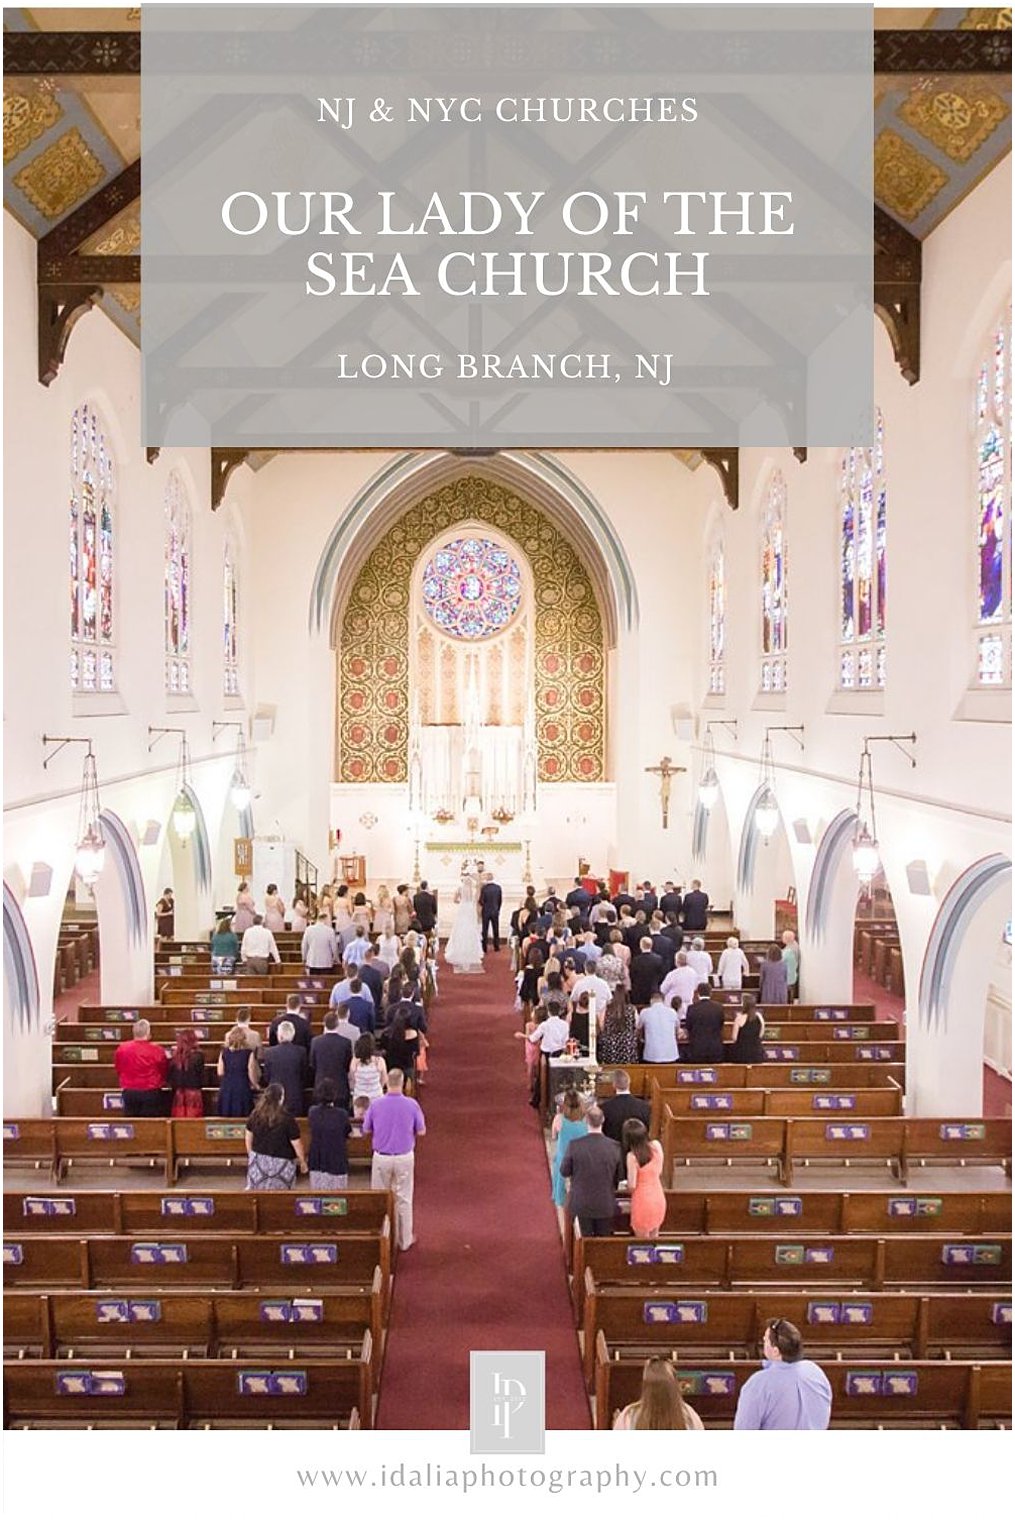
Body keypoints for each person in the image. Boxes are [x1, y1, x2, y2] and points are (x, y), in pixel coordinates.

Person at [362, 1068, 426, 1250]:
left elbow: (366, 1130)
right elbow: (421, 1131)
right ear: (403, 1082)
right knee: (404, 1198)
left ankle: (381, 1240)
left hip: (382, 1157)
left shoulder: (376, 1105)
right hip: (404, 1156)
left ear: (387, 1083)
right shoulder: (411, 1105)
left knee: (380, 1198)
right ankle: (404, 1240)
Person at [733, 1319, 832, 1430]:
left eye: (766, 1340)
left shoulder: (758, 1384)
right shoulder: (816, 1371)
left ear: (776, 1351)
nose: (763, 1340)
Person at [559, 1105, 623, 1237]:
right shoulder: (615, 1147)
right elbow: (618, 1177)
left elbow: (564, 1171)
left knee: (583, 1243)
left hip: (581, 1203)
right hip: (604, 1203)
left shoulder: (575, 1145)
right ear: (603, 1120)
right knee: (601, 1245)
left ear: (586, 1121)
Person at [244, 1083, 308, 1191]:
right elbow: (296, 1143)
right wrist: (302, 1162)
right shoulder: (287, 1118)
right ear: (281, 1098)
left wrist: (251, 1155)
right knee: (281, 1196)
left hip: (259, 1162)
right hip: (282, 1164)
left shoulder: (255, 1114)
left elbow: (248, 1136)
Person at [613, 1358, 704, 1431]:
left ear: (645, 1388)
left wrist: (617, 1423)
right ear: (674, 1386)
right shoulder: (688, 1414)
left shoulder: (629, 1415)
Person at [550, 1088, 588, 1227]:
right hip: (581, 1160)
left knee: (561, 1196)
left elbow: (553, 1137)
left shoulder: (559, 1119)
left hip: (564, 1159)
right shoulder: (585, 1120)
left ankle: (564, 1224)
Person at [114, 1020, 169, 1116]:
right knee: (149, 1125)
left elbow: (119, 1068)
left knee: (133, 1124)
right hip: (151, 1091)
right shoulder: (157, 1050)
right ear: (148, 1033)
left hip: (129, 1090)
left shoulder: (122, 1048)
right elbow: (164, 1069)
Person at [623, 1118, 666, 1237]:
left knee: (642, 1244)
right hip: (658, 1196)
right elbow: (660, 1171)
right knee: (654, 1238)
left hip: (642, 1201)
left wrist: (625, 1186)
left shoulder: (632, 1156)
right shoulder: (657, 1146)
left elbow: (632, 1186)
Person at [307, 1078, 353, 1190]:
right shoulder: (342, 1114)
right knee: (337, 1200)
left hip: (317, 1160)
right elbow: (347, 1132)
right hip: (336, 1160)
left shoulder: (312, 1112)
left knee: (318, 1195)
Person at [259, 1020, 308, 1116]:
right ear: (292, 1035)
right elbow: (304, 1075)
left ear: (279, 1035)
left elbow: (267, 1076)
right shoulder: (301, 1052)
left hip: (274, 1097)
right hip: (295, 1095)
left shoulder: (269, 1052)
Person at [309, 1009, 354, 1105]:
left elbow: (313, 1064)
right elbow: (347, 1065)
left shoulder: (316, 1042)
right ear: (337, 1024)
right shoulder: (345, 1043)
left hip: (321, 1085)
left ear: (324, 1024)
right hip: (340, 1086)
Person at [446, 863, 484, 973]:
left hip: (462, 908)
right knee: (470, 928)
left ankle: (458, 950)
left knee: (460, 928)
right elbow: (475, 898)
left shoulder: (459, 888)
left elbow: (455, 900)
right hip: (470, 909)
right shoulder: (472, 890)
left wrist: (460, 902)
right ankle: (471, 951)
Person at [217, 1024, 260, 1116]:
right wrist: (256, 1085)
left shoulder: (224, 1052)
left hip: (227, 1087)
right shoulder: (248, 1053)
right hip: (242, 1087)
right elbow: (251, 1072)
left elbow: (220, 1072)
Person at [600, 1070, 650, 1147]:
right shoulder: (644, 1107)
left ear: (614, 1085)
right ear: (629, 1083)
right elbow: (646, 1129)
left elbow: (603, 1132)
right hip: (636, 1148)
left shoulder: (605, 1108)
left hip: (613, 1149)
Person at [168, 1028, 205, 1118]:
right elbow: (202, 1078)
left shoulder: (175, 1057)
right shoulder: (199, 1056)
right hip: (194, 1095)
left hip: (179, 1095)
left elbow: (171, 1079)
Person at [684, 984, 726, 1064]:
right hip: (715, 1049)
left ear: (698, 993)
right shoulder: (718, 1007)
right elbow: (721, 1025)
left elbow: (688, 1027)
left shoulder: (692, 1008)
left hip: (697, 1048)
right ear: (710, 993)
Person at [637, 993, 681, 1063]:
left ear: (651, 1001)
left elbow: (638, 1030)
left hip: (651, 1055)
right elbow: (677, 1031)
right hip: (671, 1054)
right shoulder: (672, 1012)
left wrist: (642, 1039)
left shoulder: (644, 1012)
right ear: (663, 1001)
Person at [350, 1032, 388, 1107]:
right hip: (376, 1096)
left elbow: (353, 1080)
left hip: (359, 1096)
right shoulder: (379, 1061)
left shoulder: (354, 1061)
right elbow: (384, 1079)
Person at [729, 993, 766, 1064]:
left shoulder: (739, 1018)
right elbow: (761, 1034)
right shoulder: (760, 1017)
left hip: (741, 1054)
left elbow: (734, 1038)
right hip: (756, 1054)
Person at [629, 936, 664, 1007]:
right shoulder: (658, 959)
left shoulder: (636, 960)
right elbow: (661, 975)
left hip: (639, 991)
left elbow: (632, 975)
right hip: (653, 989)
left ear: (641, 946)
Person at [302, 910, 339, 975]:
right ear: (326, 919)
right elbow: (334, 948)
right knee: (326, 983)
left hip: (312, 961)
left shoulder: (309, 929)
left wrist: (304, 958)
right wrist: (336, 959)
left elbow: (304, 946)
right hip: (326, 962)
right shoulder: (330, 930)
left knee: (314, 984)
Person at [479, 872, 503, 952]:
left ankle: (484, 947)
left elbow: (481, 901)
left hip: (486, 911)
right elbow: (500, 900)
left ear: (487, 878)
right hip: (495, 911)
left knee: (485, 930)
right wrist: (498, 909)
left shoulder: (484, 888)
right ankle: (496, 946)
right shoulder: (498, 888)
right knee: (495, 929)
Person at [781, 929, 800, 1002]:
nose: (782, 938)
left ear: (787, 939)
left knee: (788, 999)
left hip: (788, 978)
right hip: (792, 977)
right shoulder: (794, 945)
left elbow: (780, 960)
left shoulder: (788, 951)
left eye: (783, 937)